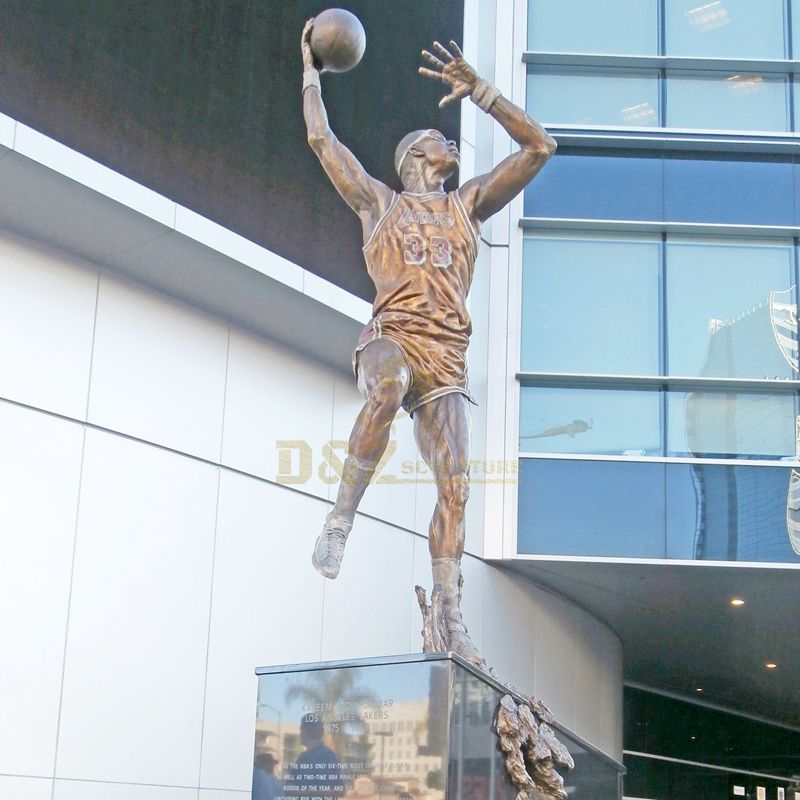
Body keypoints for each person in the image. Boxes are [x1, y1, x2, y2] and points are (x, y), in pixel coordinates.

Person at [301, 20, 556, 667]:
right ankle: (341, 518)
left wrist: (484, 93)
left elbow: (540, 147)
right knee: (386, 386)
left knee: (458, 489)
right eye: (441, 139)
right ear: (418, 156)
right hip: (392, 340)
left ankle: (451, 612)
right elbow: (320, 138)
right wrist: (310, 69)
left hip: (446, 361)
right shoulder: (378, 202)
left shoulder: (466, 206)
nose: (451, 142)